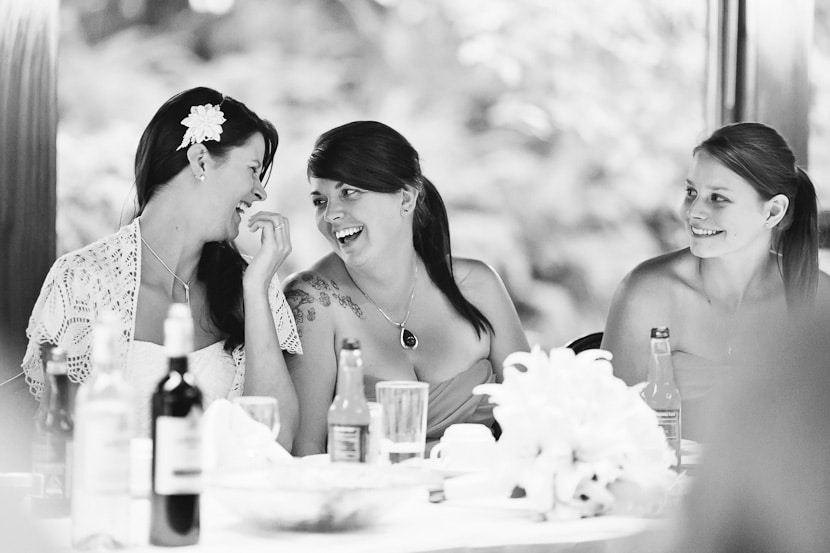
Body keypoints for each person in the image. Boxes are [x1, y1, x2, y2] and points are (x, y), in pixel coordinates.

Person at [21, 87, 301, 449]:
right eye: (252, 170)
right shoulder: (82, 280)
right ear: (200, 160)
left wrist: (256, 292)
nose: (260, 192)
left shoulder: (255, 283)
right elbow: (57, 441)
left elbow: (278, 442)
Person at [284, 121, 529, 456]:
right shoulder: (313, 300)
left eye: (349, 192)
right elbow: (304, 452)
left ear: (406, 198)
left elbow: (536, 419)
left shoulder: (478, 286)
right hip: (371, 503)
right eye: (319, 200)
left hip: (481, 499)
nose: (331, 214)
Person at [601, 121, 830, 440]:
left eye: (718, 198)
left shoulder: (819, 300)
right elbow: (605, 430)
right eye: (692, 192)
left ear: (773, 211)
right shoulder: (647, 293)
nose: (694, 211)